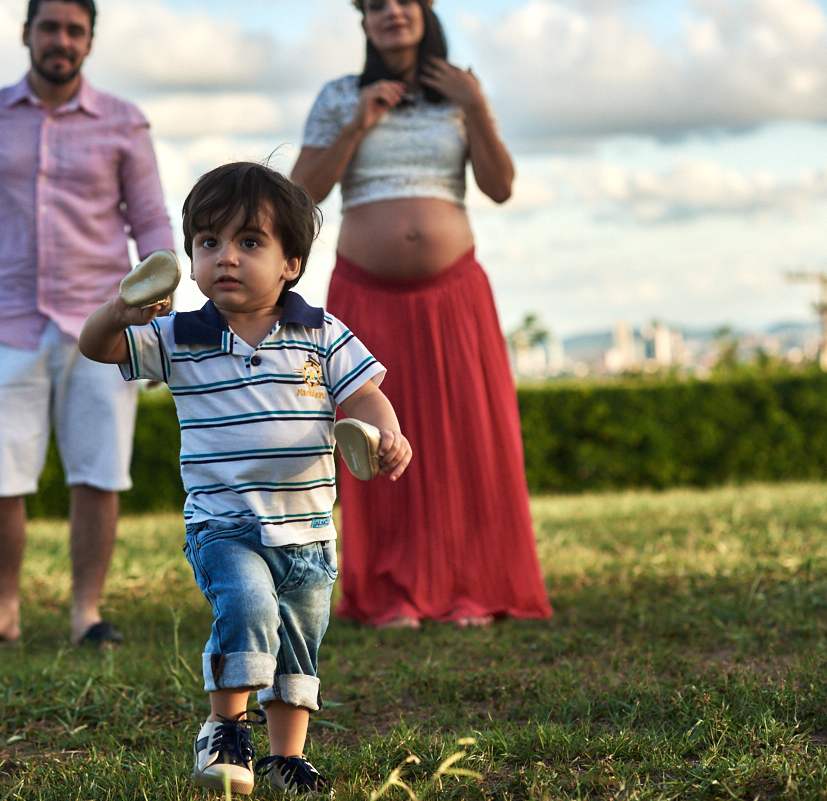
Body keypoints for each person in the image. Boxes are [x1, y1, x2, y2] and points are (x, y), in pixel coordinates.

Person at [79, 162, 412, 796]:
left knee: (297, 646)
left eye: (249, 242)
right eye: (209, 243)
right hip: (224, 526)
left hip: (310, 532)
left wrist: (387, 434)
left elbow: (365, 397)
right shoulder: (179, 336)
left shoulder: (320, 333)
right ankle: (225, 728)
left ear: (291, 263)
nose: (225, 257)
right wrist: (120, 309)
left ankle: (287, 756)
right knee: (249, 607)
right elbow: (96, 347)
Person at [290, 0, 552, 628]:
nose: (391, 13)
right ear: (363, 22)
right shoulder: (338, 96)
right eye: (375, 5)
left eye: (402, 0)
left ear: (425, 8)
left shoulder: (460, 92)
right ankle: (391, 592)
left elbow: (500, 186)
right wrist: (356, 123)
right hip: (364, 293)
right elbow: (299, 196)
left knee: (468, 438)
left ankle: (472, 588)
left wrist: (477, 105)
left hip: (453, 296)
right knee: (377, 436)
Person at [0, 0, 174, 649]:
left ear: (90, 41)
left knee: (98, 469)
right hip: (8, 321)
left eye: (75, 30)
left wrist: (157, 297)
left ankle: (86, 614)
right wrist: (1, 255)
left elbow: (150, 221)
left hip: (100, 322)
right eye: (50, 27)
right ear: (26, 34)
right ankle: (3, 611)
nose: (61, 40)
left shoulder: (124, 121)